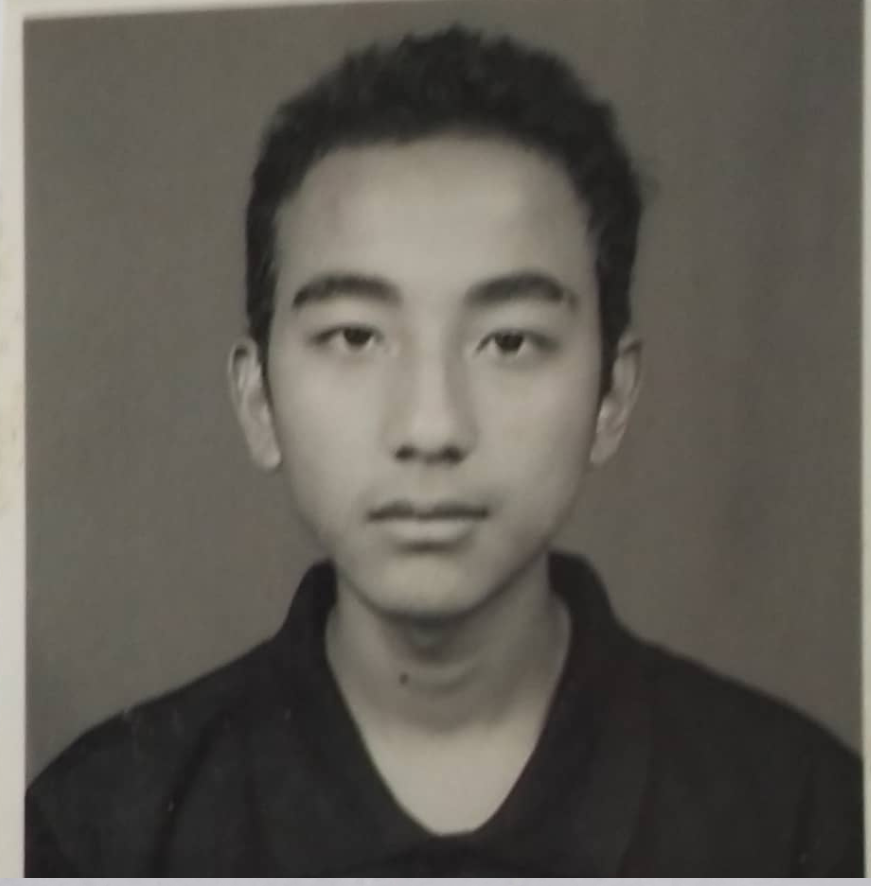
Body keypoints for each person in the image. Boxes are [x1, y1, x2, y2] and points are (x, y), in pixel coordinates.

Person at [25, 25, 862, 875]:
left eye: (508, 342)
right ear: (258, 400)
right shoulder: (98, 830)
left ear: (611, 394)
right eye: (355, 336)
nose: (430, 427)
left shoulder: (802, 815)